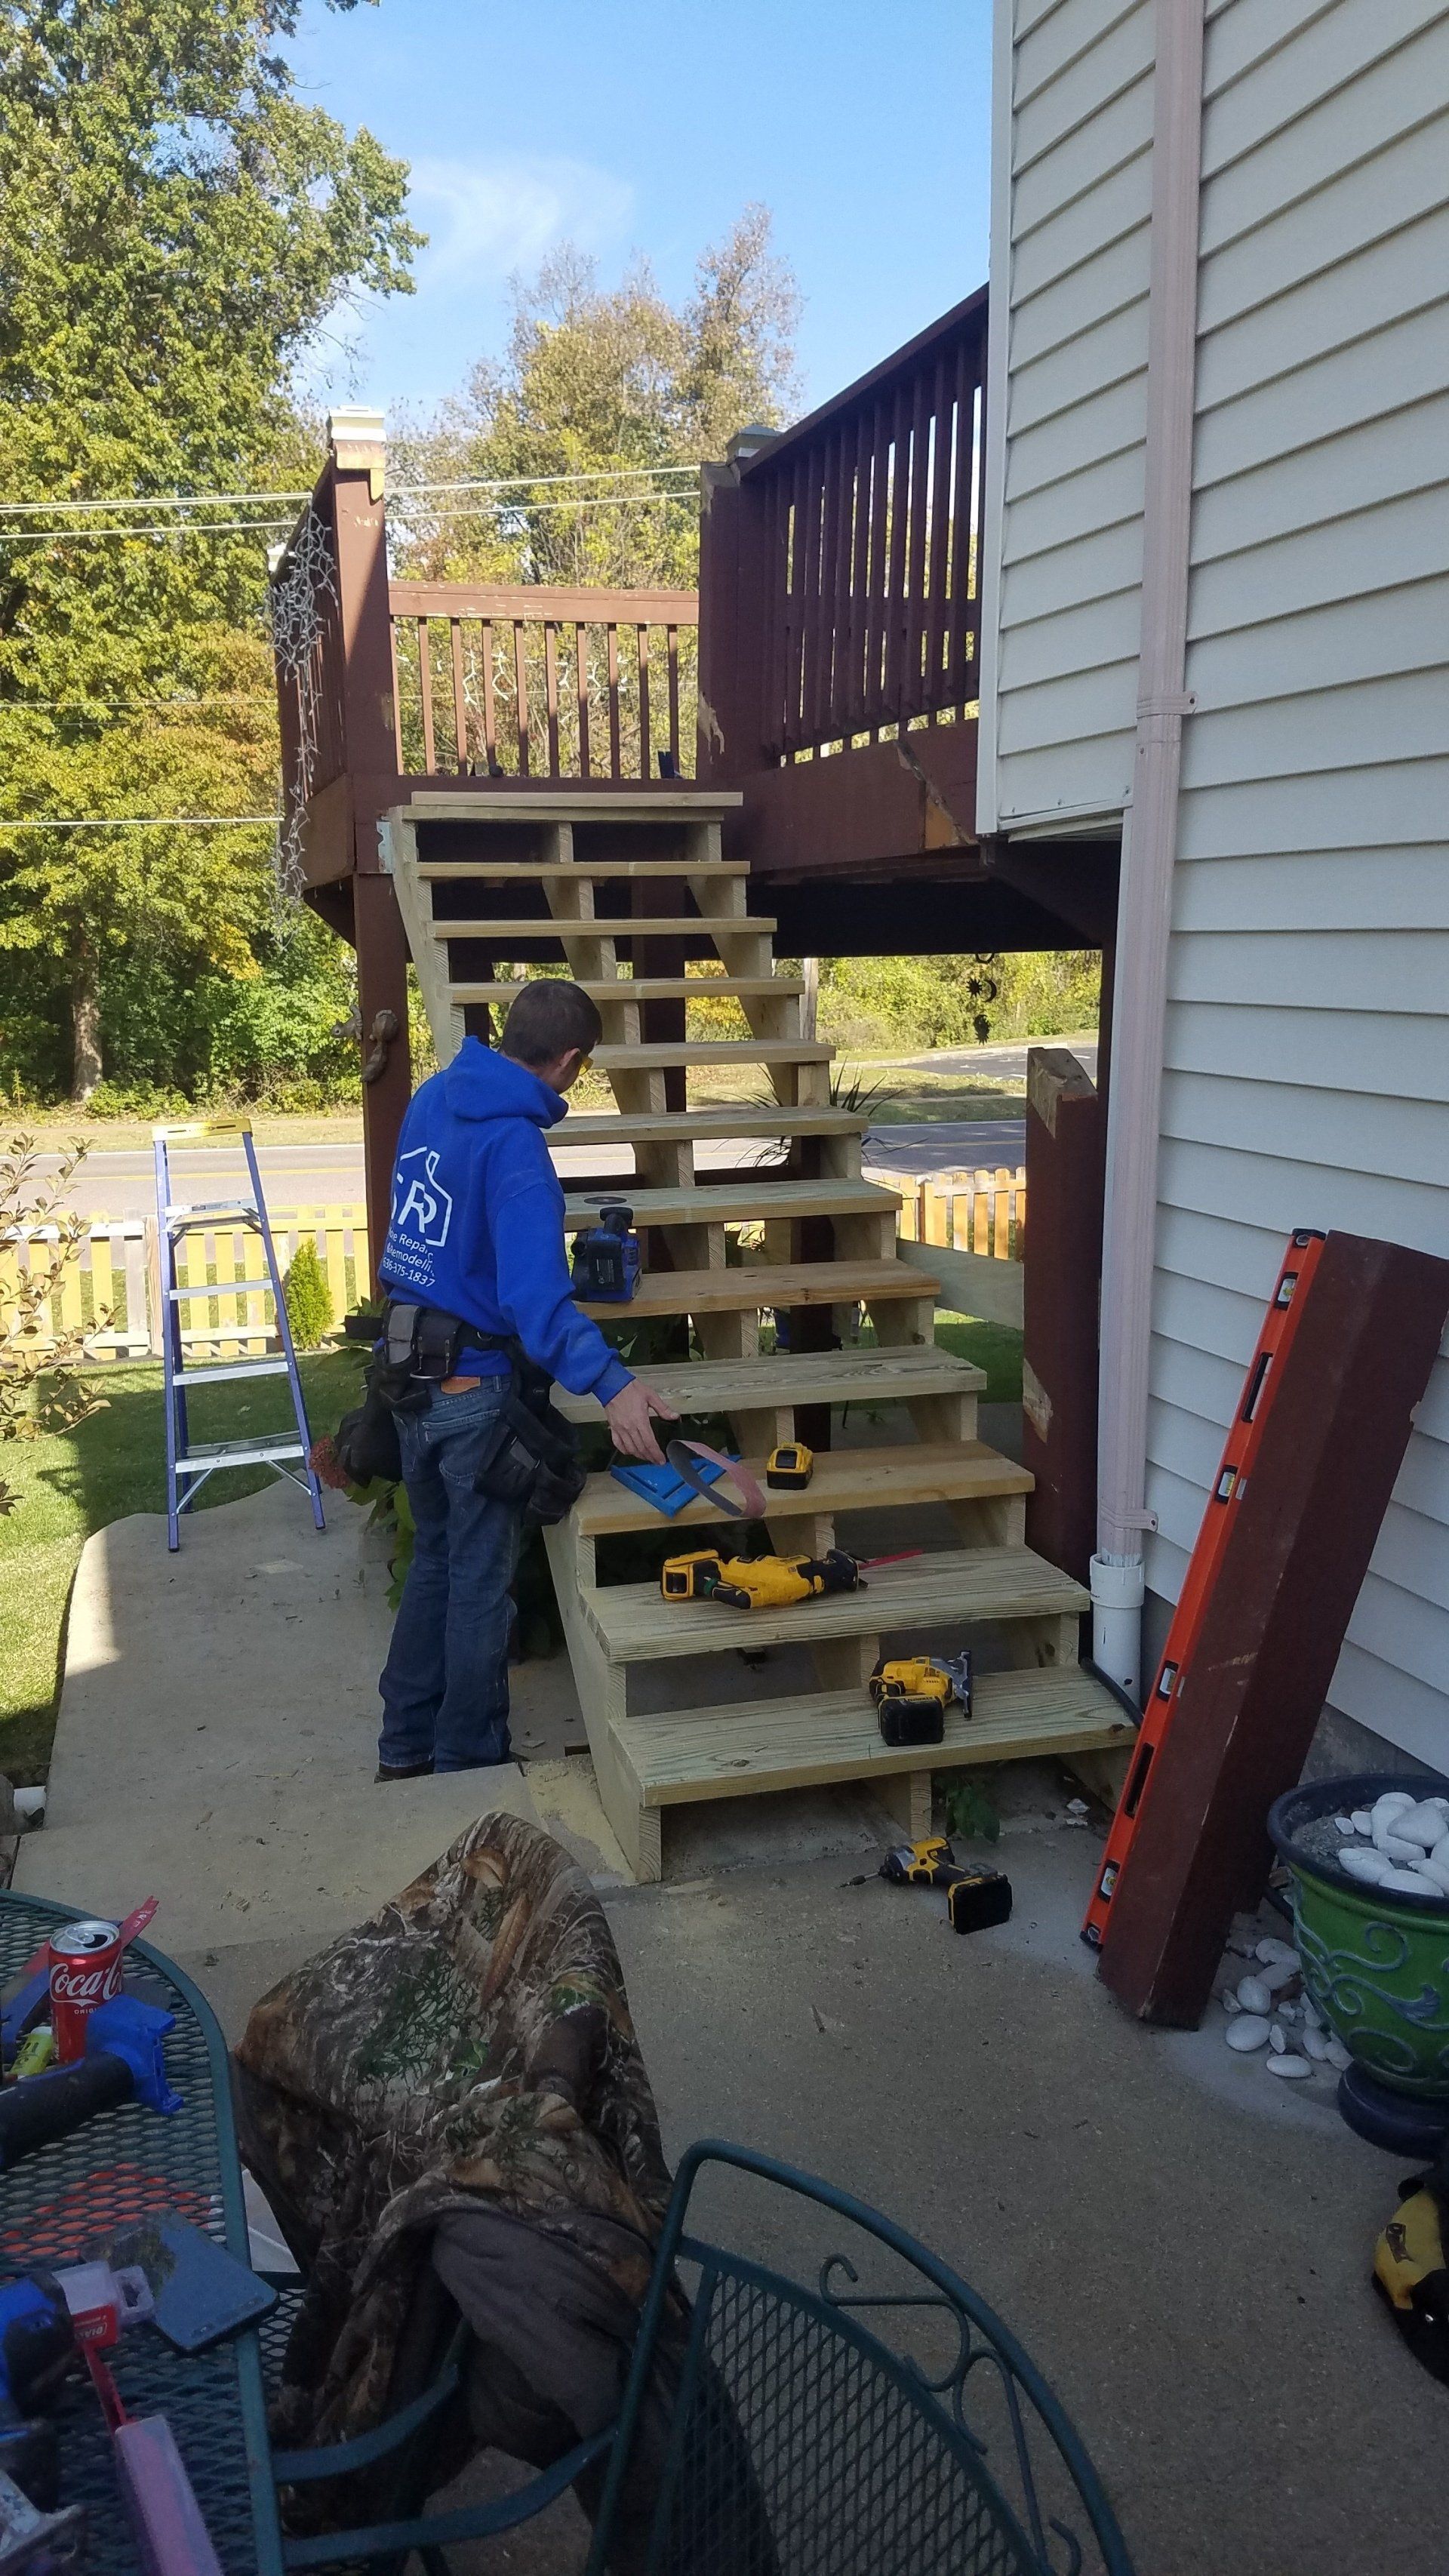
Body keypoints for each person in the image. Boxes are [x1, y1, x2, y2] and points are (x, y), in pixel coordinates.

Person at [374, 980, 677, 1781]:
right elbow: (534, 1299)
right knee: (476, 1580)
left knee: (436, 1560)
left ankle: (403, 1748)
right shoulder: (516, 1149)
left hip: (406, 1372)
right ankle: (467, 1758)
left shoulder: (435, 1098)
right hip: (469, 1387)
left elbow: (424, 1231)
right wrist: (613, 1386)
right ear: (573, 1060)